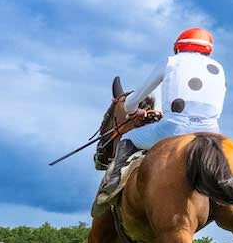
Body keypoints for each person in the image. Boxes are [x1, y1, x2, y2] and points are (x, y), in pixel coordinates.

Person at [97, 27, 226, 200]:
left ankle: (113, 183)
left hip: (176, 128)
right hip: (211, 132)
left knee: (128, 138)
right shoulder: (218, 68)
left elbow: (130, 104)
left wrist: (137, 111)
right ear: (207, 50)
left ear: (178, 47)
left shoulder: (171, 62)